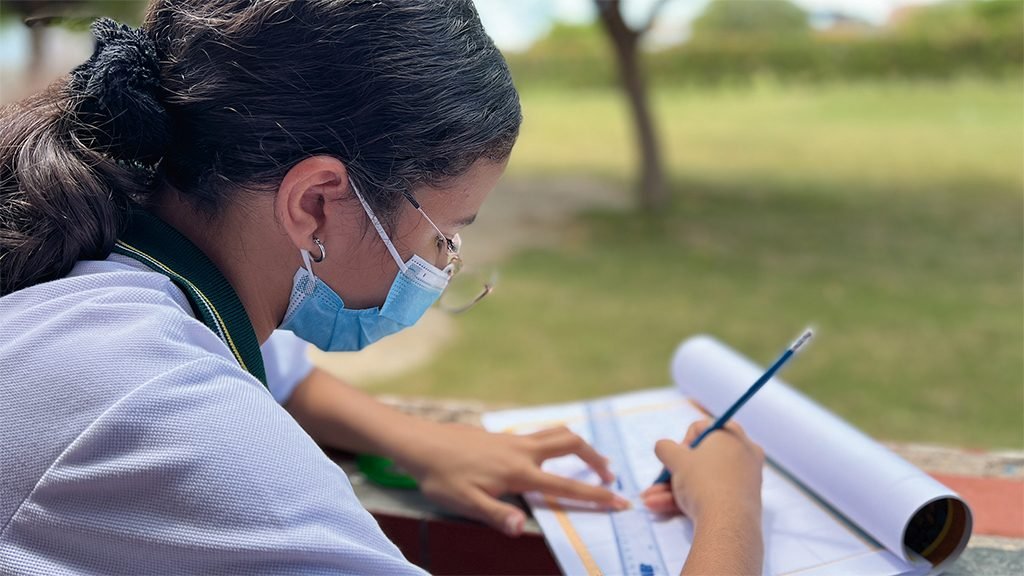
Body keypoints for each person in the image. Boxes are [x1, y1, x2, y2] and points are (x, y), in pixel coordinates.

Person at [0, 1, 764, 574]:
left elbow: (282, 372)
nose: (444, 260)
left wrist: (421, 440)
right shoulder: (164, 406)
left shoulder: (99, 237)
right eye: (445, 230)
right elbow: (193, 404)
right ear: (314, 203)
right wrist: (730, 509)